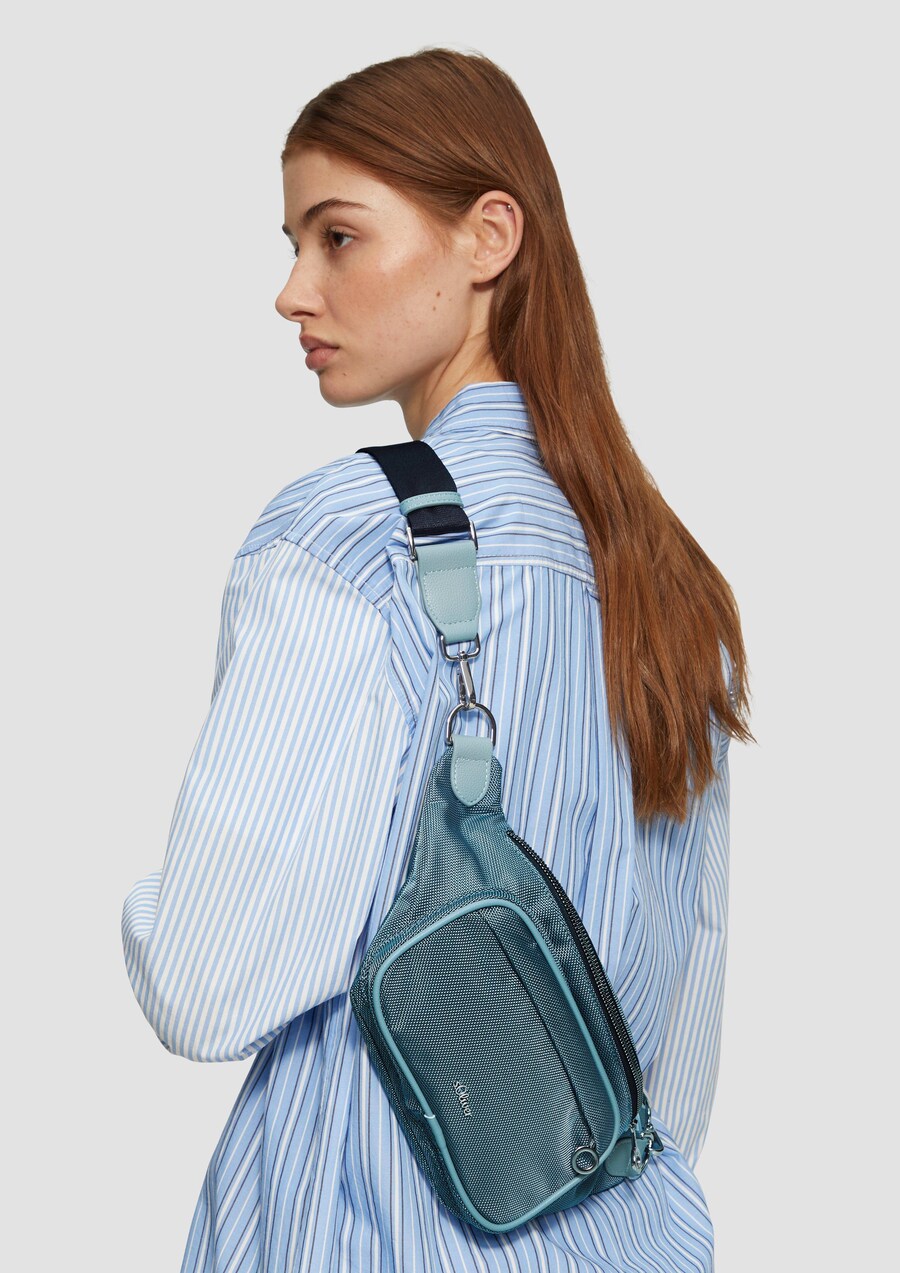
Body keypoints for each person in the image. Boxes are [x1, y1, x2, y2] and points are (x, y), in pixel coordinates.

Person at [121, 46, 753, 1273]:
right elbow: (673, 1057)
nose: (292, 292)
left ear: (488, 237)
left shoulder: (350, 537)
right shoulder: (675, 587)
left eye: (337, 237)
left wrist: (158, 905)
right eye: (293, 244)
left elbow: (204, 982)